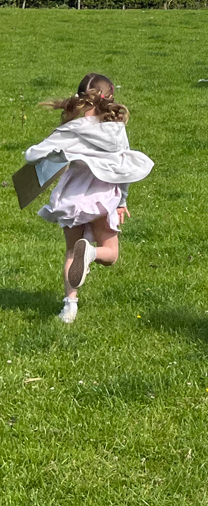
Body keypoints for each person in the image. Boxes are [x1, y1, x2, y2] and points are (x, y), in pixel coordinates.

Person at [25, 73, 155, 324]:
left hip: (72, 197)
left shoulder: (70, 129)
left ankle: (69, 308)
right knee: (111, 254)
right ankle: (92, 254)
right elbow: (123, 169)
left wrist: (55, 152)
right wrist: (122, 201)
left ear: (79, 97)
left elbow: (32, 155)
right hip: (102, 198)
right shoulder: (116, 130)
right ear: (110, 99)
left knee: (72, 252)